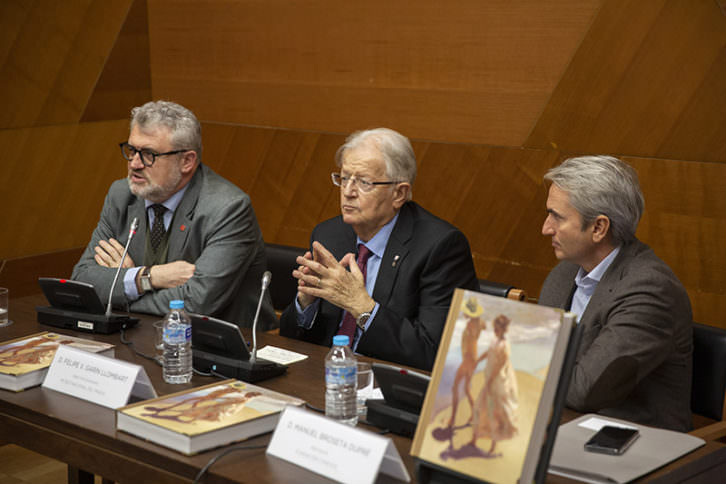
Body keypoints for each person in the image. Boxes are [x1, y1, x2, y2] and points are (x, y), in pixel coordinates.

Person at [279, 128, 478, 370]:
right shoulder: (329, 235)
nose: (348, 192)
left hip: (387, 386)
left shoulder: (440, 247)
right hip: (324, 376)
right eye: (344, 178)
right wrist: (306, 304)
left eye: (363, 182)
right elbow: (291, 338)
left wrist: (362, 307)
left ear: (399, 193)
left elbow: (434, 353)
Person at [72, 100, 275, 330]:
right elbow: (82, 281)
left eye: (148, 154)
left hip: (216, 348)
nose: (135, 164)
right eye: (131, 151)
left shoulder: (227, 208)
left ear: (186, 161)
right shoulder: (121, 195)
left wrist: (120, 291)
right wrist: (147, 277)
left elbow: (197, 302)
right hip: (141, 337)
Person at [539, 155, 692, 431]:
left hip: (633, 445)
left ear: (598, 228)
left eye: (557, 217)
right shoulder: (563, 275)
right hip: (561, 424)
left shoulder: (650, 290)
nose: (545, 228)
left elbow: (585, 390)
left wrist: (520, 362)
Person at [447, 297, 487, 428]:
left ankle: (453, 419)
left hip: (468, 360)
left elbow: (469, 345)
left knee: (457, 388)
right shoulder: (479, 323)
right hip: (471, 359)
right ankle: (475, 415)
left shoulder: (471, 325)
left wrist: (469, 360)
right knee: (466, 389)